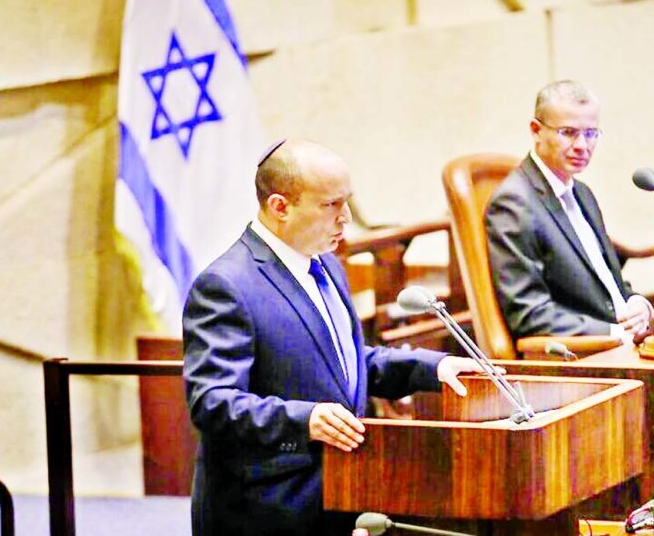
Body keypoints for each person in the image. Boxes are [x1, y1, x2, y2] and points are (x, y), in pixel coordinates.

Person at [183, 139, 482, 536]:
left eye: (347, 202)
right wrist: (305, 419)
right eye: (330, 205)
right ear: (280, 207)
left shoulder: (325, 263)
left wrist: (434, 367)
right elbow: (212, 402)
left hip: (339, 493)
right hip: (265, 508)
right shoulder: (226, 285)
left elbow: (346, 361)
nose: (345, 218)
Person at [485, 80, 652, 340]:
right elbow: (529, 314)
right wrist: (614, 333)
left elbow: (606, 284)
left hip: (622, 343)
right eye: (568, 132)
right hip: (582, 357)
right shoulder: (514, 203)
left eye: (590, 134)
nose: (582, 146)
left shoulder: (582, 193)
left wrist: (638, 304)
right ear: (536, 130)